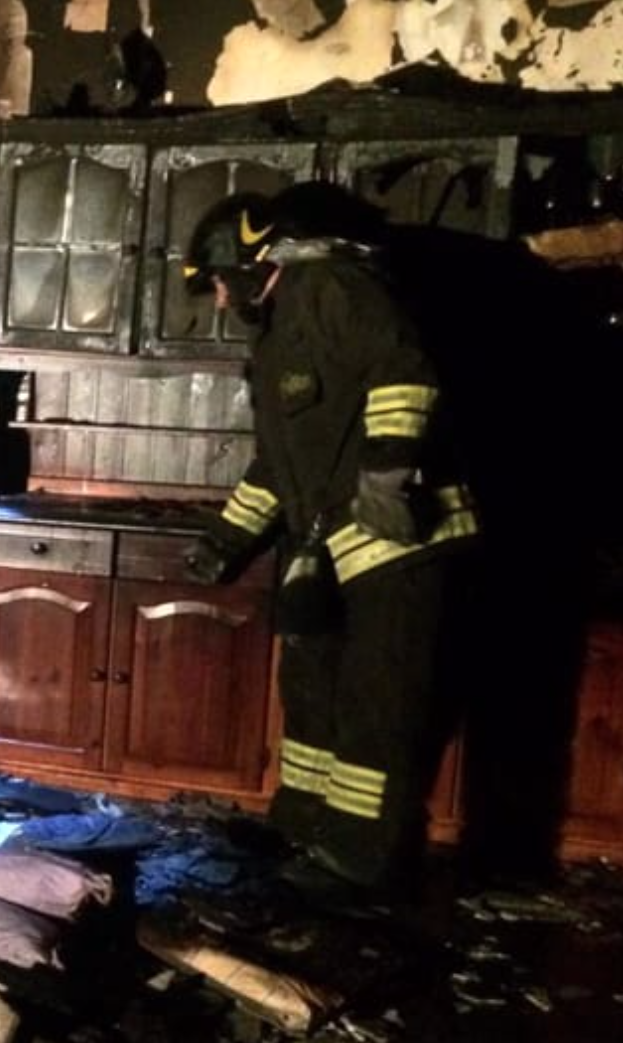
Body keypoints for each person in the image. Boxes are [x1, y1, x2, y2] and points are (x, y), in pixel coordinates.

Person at [180, 183, 479, 900]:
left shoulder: (331, 287)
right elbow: (280, 466)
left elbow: (403, 371)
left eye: (218, 281)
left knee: (378, 702)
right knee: (312, 693)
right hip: (330, 548)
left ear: (250, 261)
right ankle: (302, 826)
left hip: (398, 542)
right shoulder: (279, 332)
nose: (219, 301)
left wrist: (386, 476)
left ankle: (358, 857)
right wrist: (226, 540)